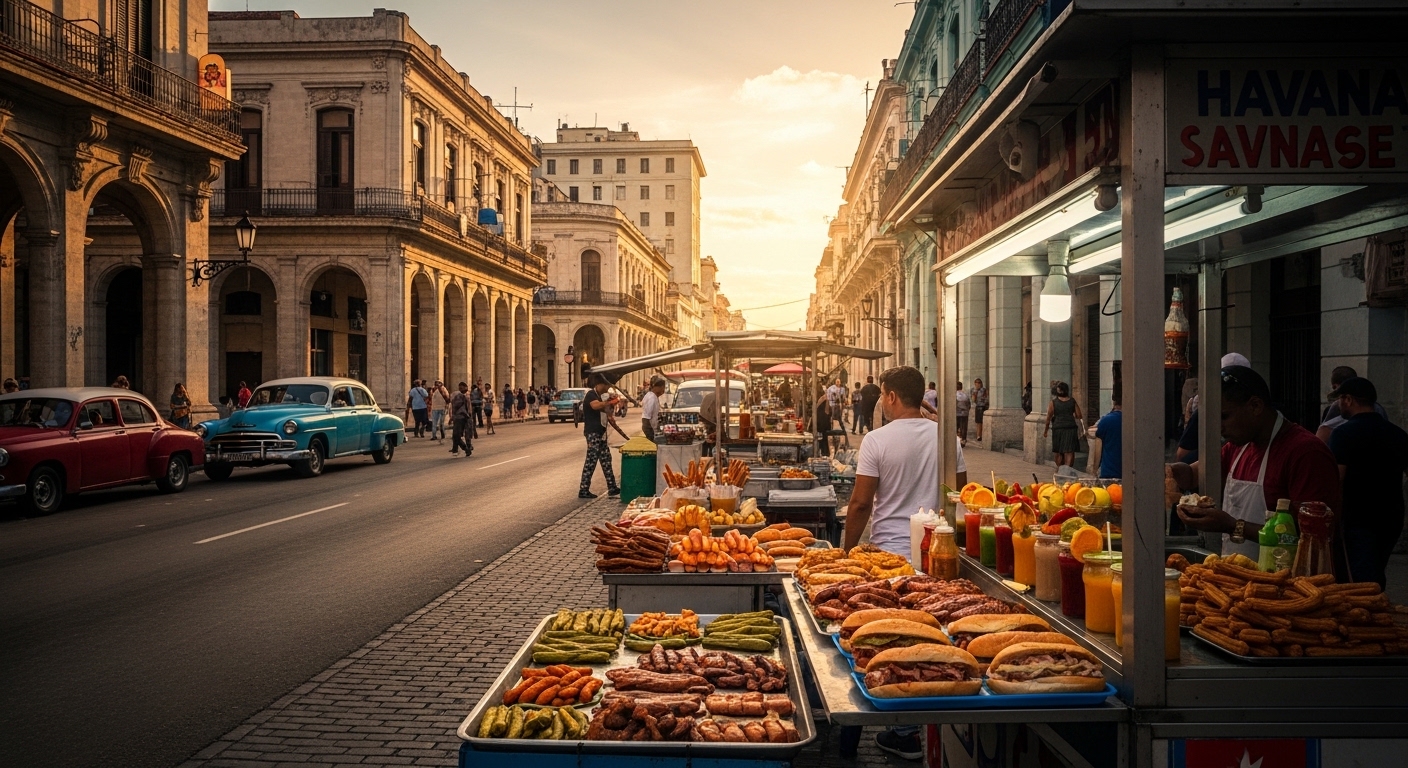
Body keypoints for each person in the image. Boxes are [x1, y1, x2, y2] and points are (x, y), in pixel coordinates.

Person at [842, 366, 947, 761]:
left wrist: (847, 550)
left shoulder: (876, 439)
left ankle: (897, 731)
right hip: (935, 553)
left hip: (888, 559)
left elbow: (860, 503)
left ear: (889, 397)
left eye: (883, 396)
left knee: (886, 639)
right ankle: (919, 728)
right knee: (927, 638)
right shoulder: (946, 436)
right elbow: (959, 495)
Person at [1170, 365, 1341, 559]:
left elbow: (1310, 535)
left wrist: (1233, 525)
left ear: (1255, 406)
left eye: (1225, 416)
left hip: (1289, 580)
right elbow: (1194, 474)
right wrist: (1171, 472)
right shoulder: (1238, 446)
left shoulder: (1306, 453)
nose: (1219, 427)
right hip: (1239, 576)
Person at [1326, 377, 1407, 587]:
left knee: (1361, 582)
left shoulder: (1343, 434)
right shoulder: (1397, 434)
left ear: (1349, 400)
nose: (1339, 405)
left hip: (1357, 517)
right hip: (1391, 516)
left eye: (1340, 400)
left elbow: (1337, 478)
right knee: (1376, 571)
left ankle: (1370, 616)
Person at [1316, 366, 1390, 442]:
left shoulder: (1340, 432)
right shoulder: (1395, 433)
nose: (1340, 402)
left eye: (1341, 397)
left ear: (1348, 399)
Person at [578, 374, 621, 499]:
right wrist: (609, 402)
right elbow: (595, 406)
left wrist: (610, 405)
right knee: (591, 460)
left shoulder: (600, 396)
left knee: (606, 459)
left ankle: (612, 487)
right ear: (600, 384)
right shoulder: (591, 394)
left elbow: (606, 411)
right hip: (593, 433)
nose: (607, 388)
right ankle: (583, 489)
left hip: (601, 433)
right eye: (606, 385)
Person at [1044, 382, 1082, 467]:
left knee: (1058, 450)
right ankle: (1068, 470)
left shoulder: (1053, 403)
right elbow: (1079, 415)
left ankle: (1060, 469)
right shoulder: (1072, 401)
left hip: (1058, 428)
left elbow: (1048, 418)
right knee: (1070, 450)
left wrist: (1046, 431)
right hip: (1070, 428)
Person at [1094, 393, 1122, 479]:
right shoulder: (1135, 421)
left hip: (1109, 472)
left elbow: (1098, 449)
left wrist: (1094, 469)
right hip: (1131, 473)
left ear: (1113, 403)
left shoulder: (1105, 421)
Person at [449, 381, 473, 457]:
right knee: (456, 435)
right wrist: (452, 417)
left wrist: (469, 417)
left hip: (464, 417)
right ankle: (465, 448)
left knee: (465, 435)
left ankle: (467, 447)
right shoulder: (456, 396)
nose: (461, 389)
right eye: (460, 387)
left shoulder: (466, 396)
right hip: (458, 418)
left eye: (462, 387)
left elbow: (468, 408)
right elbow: (453, 408)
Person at [641, 376, 665, 441]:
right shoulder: (651, 398)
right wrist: (650, 433)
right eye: (663, 387)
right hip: (649, 430)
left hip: (653, 429)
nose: (663, 390)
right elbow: (646, 417)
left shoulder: (653, 396)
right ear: (657, 387)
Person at [971, 378, 989, 442]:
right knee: (979, 422)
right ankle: (978, 435)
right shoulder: (974, 391)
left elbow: (987, 398)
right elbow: (973, 400)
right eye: (976, 383)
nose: (977, 385)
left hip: (983, 407)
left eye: (978, 383)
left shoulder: (984, 390)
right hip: (978, 406)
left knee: (981, 422)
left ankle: (981, 435)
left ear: (980, 383)